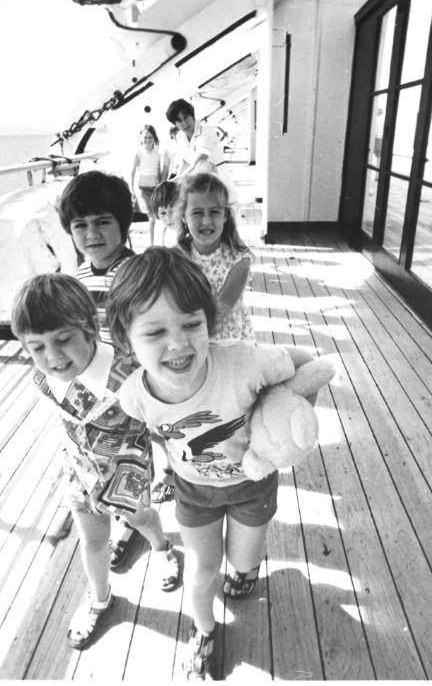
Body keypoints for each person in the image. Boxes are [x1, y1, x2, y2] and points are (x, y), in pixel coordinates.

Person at [106, 246, 313, 679]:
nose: (178, 344)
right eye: (155, 332)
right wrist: (156, 468)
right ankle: (203, 630)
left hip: (252, 484)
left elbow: (304, 363)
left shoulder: (244, 362)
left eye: (191, 324)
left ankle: (247, 568)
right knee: (202, 570)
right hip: (194, 493)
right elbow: (150, 433)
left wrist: (289, 420)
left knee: (243, 559)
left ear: (209, 321)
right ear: (126, 339)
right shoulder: (133, 396)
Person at [10, 274, 180, 650]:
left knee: (142, 518)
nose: (52, 357)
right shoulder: (42, 377)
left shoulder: (130, 370)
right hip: (80, 473)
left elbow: (162, 414)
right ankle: (101, 599)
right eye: (36, 347)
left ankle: (162, 547)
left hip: (128, 471)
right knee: (92, 540)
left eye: (63, 339)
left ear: (89, 328)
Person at [57, 170, 139, 569]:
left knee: (134, 456)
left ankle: (130, 521)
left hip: (136, 382)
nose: (92, 233)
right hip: (92, 387)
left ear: (123, 224)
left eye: (103, 221)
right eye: (80, 225)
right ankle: (108, 508)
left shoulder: (142, 272)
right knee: (99, 455)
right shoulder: (74, 279)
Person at [177, 172, 254, 342]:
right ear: (184, 217)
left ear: (225, 215)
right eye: (197, 213)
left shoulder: (239, 260)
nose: (206, 221)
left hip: (227, 341)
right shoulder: (177, 257)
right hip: (189, 337)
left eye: (214, 212)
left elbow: (221, 312)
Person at [165, 98, 238, 209]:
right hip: (200, 186)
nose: (184, 123)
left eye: (186, 118)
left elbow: (201, 160)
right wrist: (174, 183)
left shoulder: (206, 131)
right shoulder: (180, 137)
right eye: (179, 121)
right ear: (175, 124)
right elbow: (184, 163)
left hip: (218, 179)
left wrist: (181, 178)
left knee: (225, 215)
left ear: (192, 115)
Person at [130, 125, 162, 245]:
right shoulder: (138, 154)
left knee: (157, 217)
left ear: (154, 139)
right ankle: (152, 243)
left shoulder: (158, 154)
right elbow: (132, 172)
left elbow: (158, 172)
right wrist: (131, 189)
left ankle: (157, 241)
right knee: (152, 217)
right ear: (141, 139)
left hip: (155, 189)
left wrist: (160, 187)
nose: (147, 140)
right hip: (143, 189)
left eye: (150, 137)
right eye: (145, 137)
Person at [150, 180, 180, 248]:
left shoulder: (193, 235)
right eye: (163, 213)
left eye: (173, 210)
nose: (168, 217)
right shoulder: (162, 234)